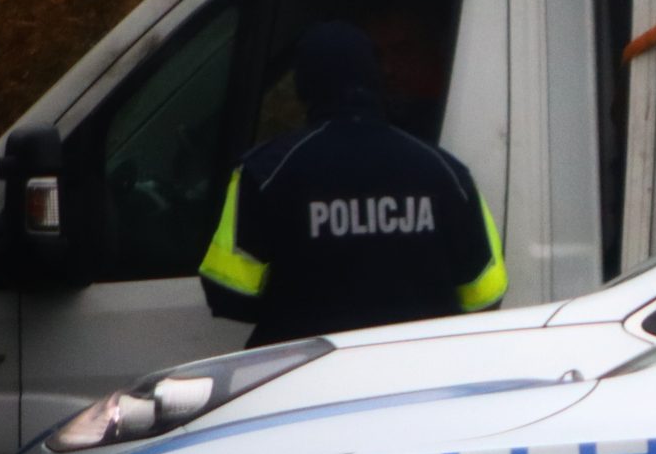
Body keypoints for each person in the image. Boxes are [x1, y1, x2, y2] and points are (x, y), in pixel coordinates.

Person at [199, 20, 506, 346]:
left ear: (303, 85)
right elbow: (485, 293)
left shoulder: (265, 172)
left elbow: (228, 294)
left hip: (310, 366)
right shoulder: (445, 171)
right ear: (376, 78)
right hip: (417, 365)